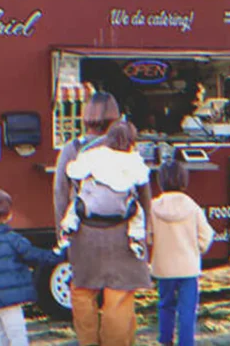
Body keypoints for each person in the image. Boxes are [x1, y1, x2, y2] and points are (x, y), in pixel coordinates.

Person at [53, 91, 153, 346]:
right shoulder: (128, 148)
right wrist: (147, 229)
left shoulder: (73, 149)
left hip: (85, 231)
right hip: (122, 232)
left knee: (83, 292)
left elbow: (59, 192)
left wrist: (62, 232)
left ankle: (88, 342)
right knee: (119, 296)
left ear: (86, 116)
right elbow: (143, 192)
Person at [0, 189, 65, 346]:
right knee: (17, 338)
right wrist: (58, 252)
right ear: (10, 215)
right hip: (11, 301)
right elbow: (35, 256)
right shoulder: (13, 239)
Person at [56, 120, 151, 260]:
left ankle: (67, 230)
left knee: (75, 207)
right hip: (122, 208)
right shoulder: (134, 160)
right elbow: (142, 178)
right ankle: (135, 239)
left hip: (92, 205)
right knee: (138, 214)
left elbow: (73, 172)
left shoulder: (94, 155)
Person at [149, 159, 215, 346]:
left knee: (165, 305)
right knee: (187, 310)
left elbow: (148, 235)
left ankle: (165, 340)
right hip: (188, 266)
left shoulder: (153, 206)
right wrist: (197, 249)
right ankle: (186, 342)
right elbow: (206, 234)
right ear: (183, 180)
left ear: (160, 180)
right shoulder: (192, 207)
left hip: (163, 266)